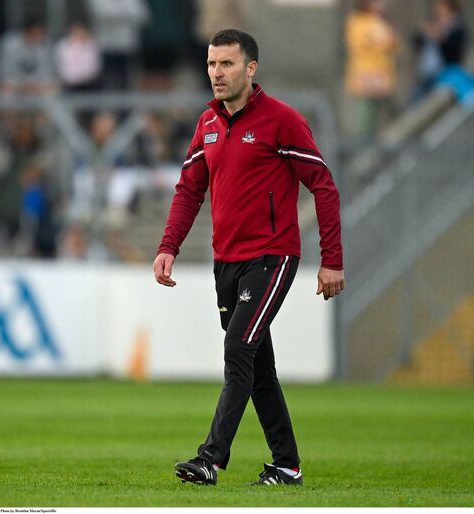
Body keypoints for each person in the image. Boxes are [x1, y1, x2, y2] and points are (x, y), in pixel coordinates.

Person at [153, 29, 344, 487]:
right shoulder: (208, 122)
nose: (217, 73)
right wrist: (167, 246)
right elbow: (189, 190)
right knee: (258, 367)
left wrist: (331, 259)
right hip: (226, 261)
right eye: (211, 64)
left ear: (250, 68)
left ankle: (211, 459)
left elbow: (323, 186)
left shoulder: (282, 120)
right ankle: (287, 465)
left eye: (227, 64)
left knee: (238, 348)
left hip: (273, 258)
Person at [344, 0, 398, 141]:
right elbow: (357, 44)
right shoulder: (357, 21)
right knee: (365, 111)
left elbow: (392, 42)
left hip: (382, 73)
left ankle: (378, 140)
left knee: (379, 111)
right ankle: (362, 142)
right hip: (366, 73)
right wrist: (375, 40)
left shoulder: (382, 20)